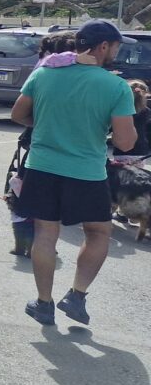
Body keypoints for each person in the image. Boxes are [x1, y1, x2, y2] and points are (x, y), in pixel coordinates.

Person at [11, 19, 136, 326]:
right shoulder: (116, 86)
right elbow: (124, 141)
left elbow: (18, 114)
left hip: (42, 166)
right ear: (103, 46)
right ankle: (77, 296)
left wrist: (45, 128)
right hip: (87, 173)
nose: (117, 52)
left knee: (45, 233)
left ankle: (43, 303)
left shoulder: (43, 74)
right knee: (98, 232)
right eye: (117, 46)